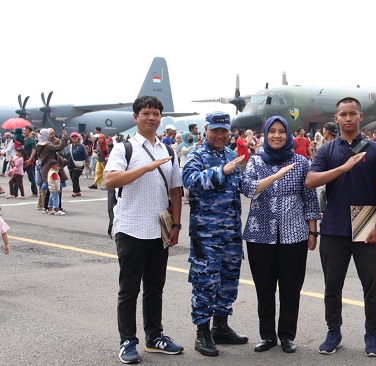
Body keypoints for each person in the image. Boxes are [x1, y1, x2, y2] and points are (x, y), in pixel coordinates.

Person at [306, 97, 376, 357]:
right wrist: (342, 168)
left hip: (367, 223)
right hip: (333, 225)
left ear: (361, 117)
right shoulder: (326, 150)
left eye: (353, 113)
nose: (349, 118)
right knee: (332, 286)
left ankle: (372, 333)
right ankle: (334, 331)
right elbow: (310, 181)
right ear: (337, 118)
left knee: (372, 287)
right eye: (343, 114)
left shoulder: (374, 150)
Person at [104, 95, 184, 364]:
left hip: (158, 229)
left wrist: (176, 224)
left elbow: (175, 190)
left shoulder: (169, 150)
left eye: (156, 114)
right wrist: (145, 167)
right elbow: (110, 180)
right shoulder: (124, 148)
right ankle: (127, 341)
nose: (152, 118)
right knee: (129, 288)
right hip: (130, 227)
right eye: (146, 113)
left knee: (154, 287)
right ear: (136, 117)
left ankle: (154, 337)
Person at [240, 116, 320, 354]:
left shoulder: (301, 162)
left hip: (294, 234)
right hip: (259, 235)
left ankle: (287, 335)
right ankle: (267, 335)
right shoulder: (255, 162)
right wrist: (274, 177)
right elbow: (247, 189)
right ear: (265, 134)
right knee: (264, 288)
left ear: (288, 135)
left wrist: (313, 231)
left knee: (291, 287)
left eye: (281, 131)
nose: (277, 136)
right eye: (272, 131)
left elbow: (310, 199)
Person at [181, 111, 248, 358]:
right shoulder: (196, 155)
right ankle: (202, 332)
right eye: (215, 130)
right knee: (205, 282)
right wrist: (221, 171)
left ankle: (220, 325)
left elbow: (242, 188)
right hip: (206, 234)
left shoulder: (232, 155)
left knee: (229, 280)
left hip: (231, 232)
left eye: (224, 131)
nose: (220, 135)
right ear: (205, 130)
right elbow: (189, 180)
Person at [36, 129, 68, 214]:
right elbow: (59, 147)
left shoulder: (41, 144)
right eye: (49, 134)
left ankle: (48, 207)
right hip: (51, 167)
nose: (50, 136)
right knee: (56, 188)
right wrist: (64, 138)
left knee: (51, 189)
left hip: (46, 168)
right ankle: (55, 207)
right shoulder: (47, 145)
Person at [64, 132, 88, 197]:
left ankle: (75, 191)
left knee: (75, 177)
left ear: (78, 138)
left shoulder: (81, 146)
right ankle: (78, 191)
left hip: (78, 165)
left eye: (75, 137)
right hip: (70, 164)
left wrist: (87, 163)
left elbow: (86, 155)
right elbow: (65, 154)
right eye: (73, 137)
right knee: (73, 178)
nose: (74, 138)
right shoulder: (69, 146)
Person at [22, 126, 38, 198]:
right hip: (20, 160)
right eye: (24, 130)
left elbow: (33, 150)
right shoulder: (21, 139)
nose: (24, 131)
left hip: (28, 160)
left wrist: (30, 159)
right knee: (17, 176)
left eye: (26, 130)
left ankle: (34, 192)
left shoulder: (32, 140)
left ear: (30, 131)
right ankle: (14, 192)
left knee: (31, 176)